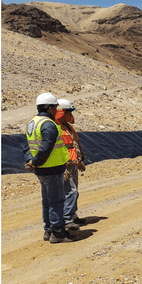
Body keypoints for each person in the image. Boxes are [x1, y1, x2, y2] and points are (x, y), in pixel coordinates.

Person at [23, 92, 73, 243]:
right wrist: (36, 162)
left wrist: (31, 161)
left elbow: (27, 146)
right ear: (50, 108)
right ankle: (57, 233)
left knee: (47, 201)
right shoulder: (48, 124)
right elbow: (46, 147)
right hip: (52, 168)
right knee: (56, 201)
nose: (57, 109)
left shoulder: (32, 122)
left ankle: (48, 230)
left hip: (42, 170)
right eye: (55, 107)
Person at [55, 98, 87, 230]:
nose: (71, 115)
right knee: (70, 192)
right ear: (62, 113)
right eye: (69, 112)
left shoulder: (67, 127)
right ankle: (67, 219)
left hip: (73, 164)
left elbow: (73, 146)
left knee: (74, 192)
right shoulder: (56, 128)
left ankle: (73, 215)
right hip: (65, 166)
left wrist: (79, 160)